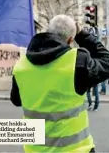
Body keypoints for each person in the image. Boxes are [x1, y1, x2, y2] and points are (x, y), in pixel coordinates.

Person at [10, 15, 109, 153]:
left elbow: (17, 100)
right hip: (76, 150)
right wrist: (82, 35)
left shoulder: (21, 65)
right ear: (70, 39)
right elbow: (106, 61)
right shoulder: (78, 61)